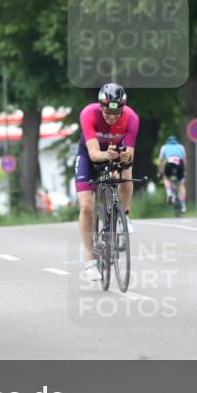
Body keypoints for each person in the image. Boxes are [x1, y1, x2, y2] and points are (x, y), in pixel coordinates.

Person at [75, 83, 139, 280]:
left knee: (126, 173)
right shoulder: (89, 114)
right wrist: (107, 155)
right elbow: (94, 154)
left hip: (115, 154)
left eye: (117, 112)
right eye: (107, 112)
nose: (111, 117)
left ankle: (124, 215)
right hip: (90, 155)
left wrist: (123, 157)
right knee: (86, 206)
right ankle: (89, 262)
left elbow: (130, 156)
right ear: (100, 105)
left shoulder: (131, 118)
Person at [157, 135, 187, 212]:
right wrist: (184, 170)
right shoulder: (181, 147)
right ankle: (183, 205)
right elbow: (184, 160)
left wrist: (160, 172)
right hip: (180, 164)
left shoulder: (164, 147)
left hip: (169, 163)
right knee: (181, 184)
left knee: (165, 178)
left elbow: (161, 161)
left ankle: (169, 193)